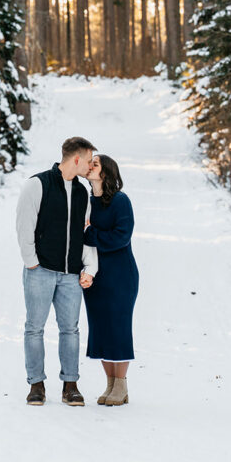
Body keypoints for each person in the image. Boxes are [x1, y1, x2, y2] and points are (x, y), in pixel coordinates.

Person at [16, 137, 99, 407]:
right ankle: (36, 384)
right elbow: (24, 227)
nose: (90, 166)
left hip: (70, 275)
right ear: (76, 159)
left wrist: (87, 267)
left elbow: (85, 234)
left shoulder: (82, 193)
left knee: (70, 330)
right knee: (34, 328)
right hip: (40, 271)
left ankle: (70, 385)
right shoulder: (37, 185)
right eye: (89, 160)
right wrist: (32, 263)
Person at [81, 154, 139, 406]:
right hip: (94, 276)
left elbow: (121, 237)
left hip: (121, 275)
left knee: (118, 328)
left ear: (106, 173)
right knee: (101, 329)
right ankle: (110, 384)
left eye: (95, 164)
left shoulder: (120, 201)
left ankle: (121, 385)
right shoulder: (85, 201)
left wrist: (90, 233)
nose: (90, 166)